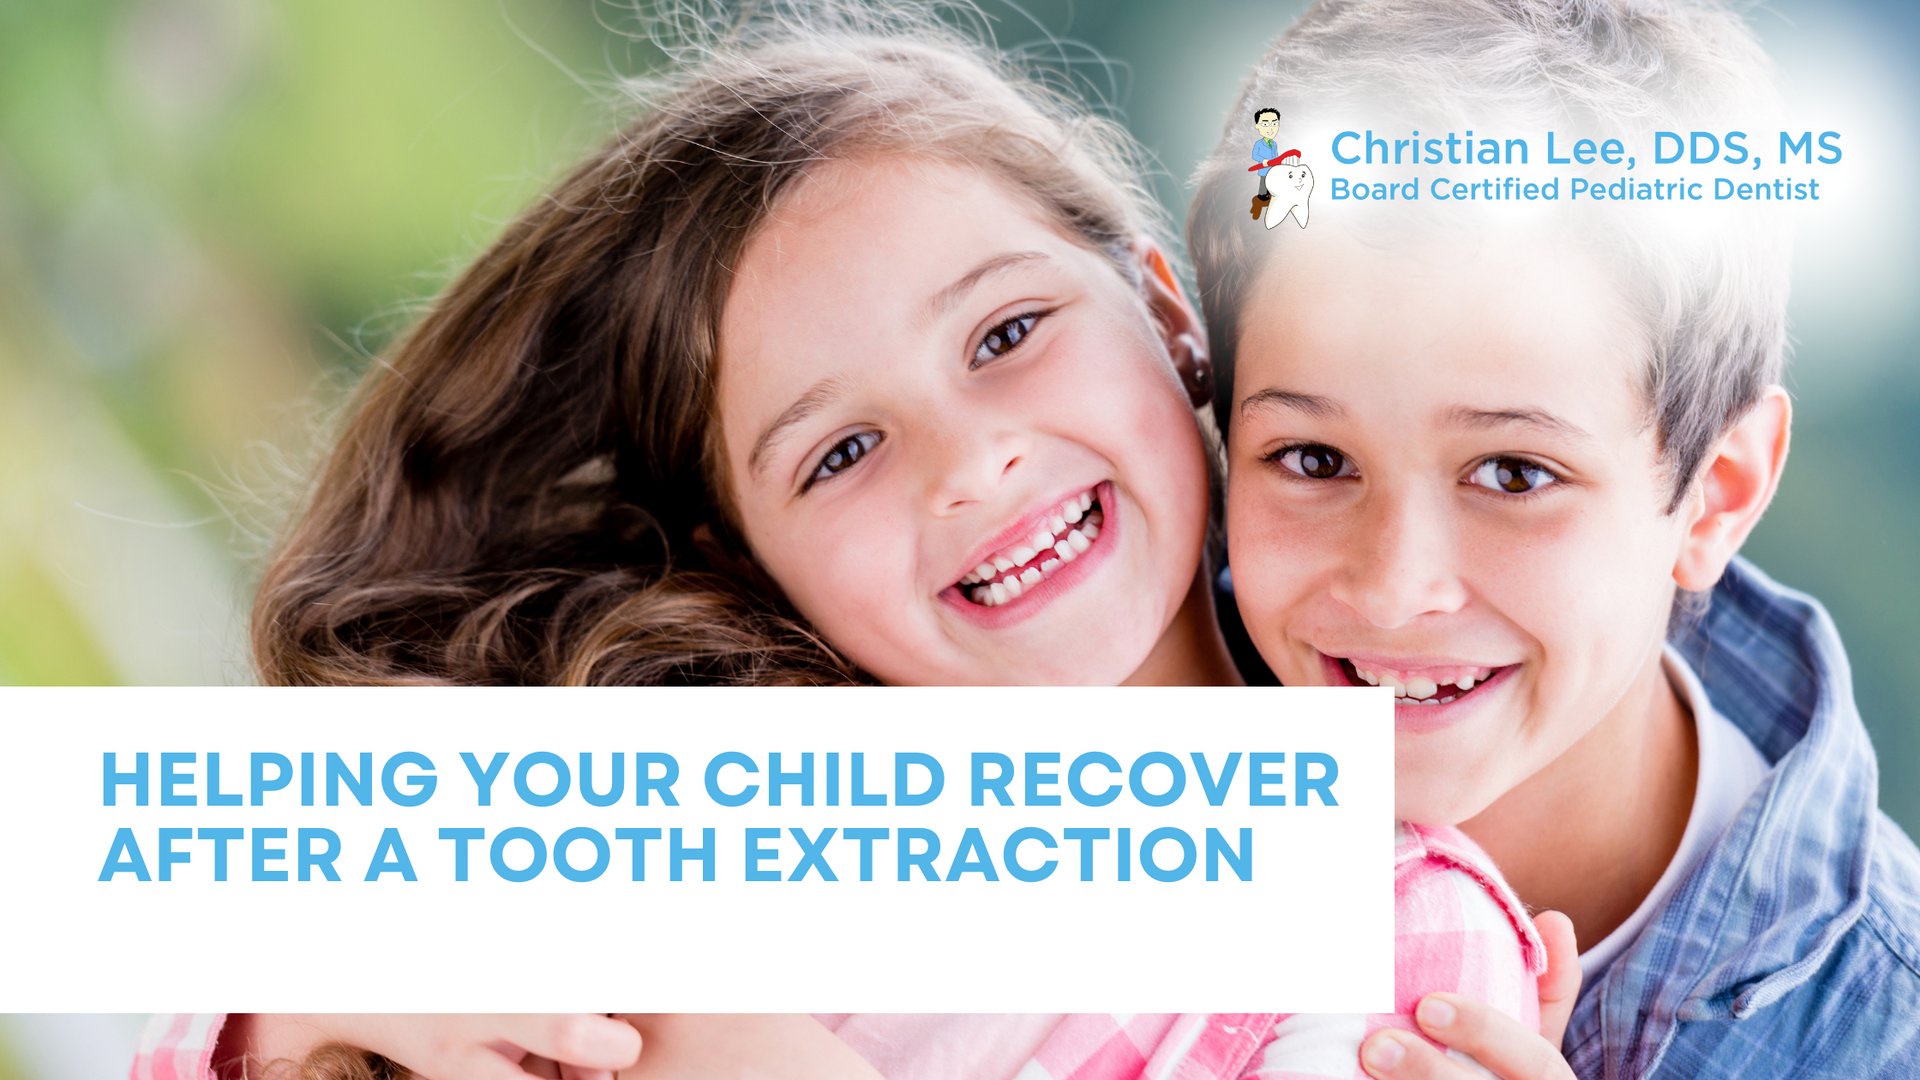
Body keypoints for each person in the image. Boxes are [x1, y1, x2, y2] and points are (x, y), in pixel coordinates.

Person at [130, 5, 1573, 1080]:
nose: (969, 464)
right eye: (839, 452)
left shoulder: (1399, 944)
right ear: (746, 549)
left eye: (1007, 334)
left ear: (1168, 314)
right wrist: (294, 1012)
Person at [1187, 0, 1920, 1077]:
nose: (1394, 590)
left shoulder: (1875, 1036)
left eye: (1515, 474)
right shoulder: (1077, 754)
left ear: (1714, 496)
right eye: (1311, 458)